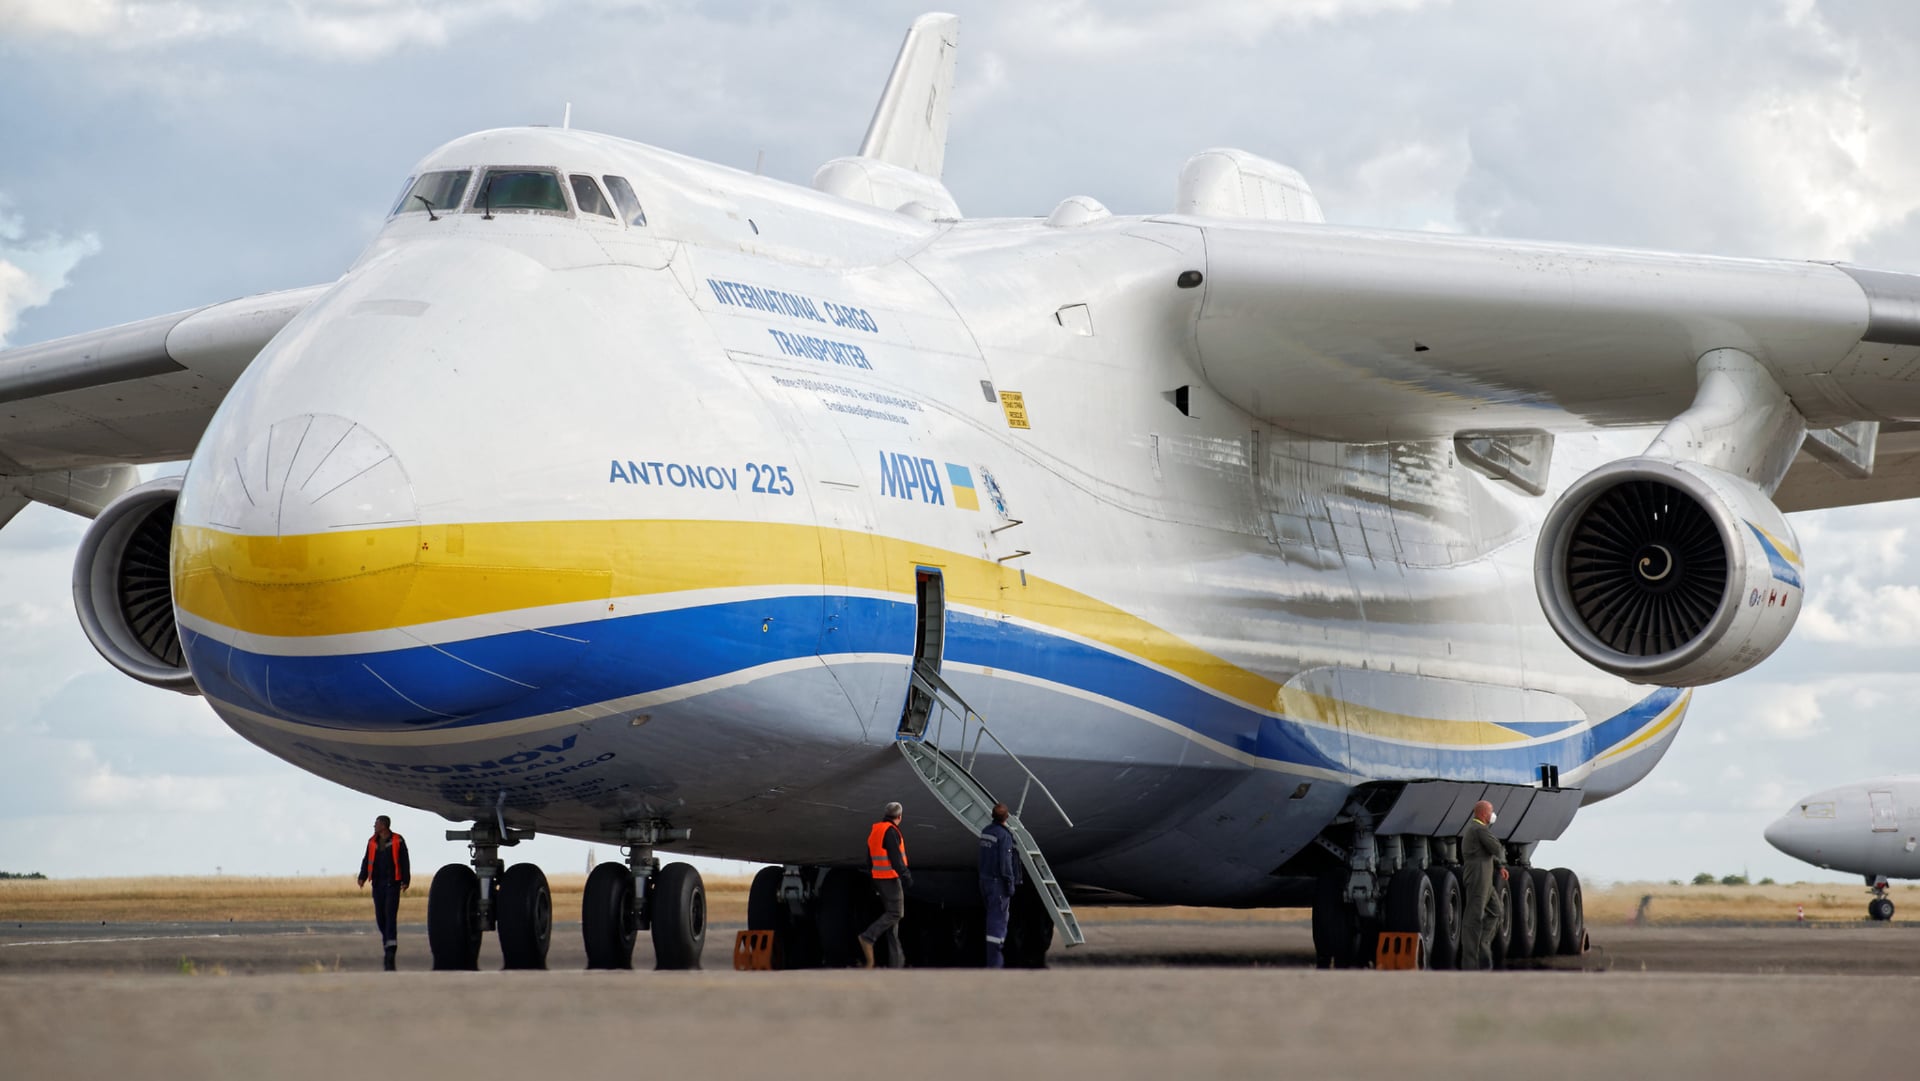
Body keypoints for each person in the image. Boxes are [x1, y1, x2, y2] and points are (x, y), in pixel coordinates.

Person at [857, 802, 910, 968]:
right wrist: (906, 875)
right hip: (890, 879)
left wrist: (873, 878)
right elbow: (896, 858)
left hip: (879, 878)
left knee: (892, 925)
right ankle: (868, 937)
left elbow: (868, 858)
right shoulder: (891, 832)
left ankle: (897, 964)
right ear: (899, 817)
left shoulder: (876, 830)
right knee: (896, 913)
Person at [1457, 799, 1508, 970]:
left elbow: (1490, 853)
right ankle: (1471, 963)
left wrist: (1500, 866)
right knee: (1473, 919)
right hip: (1478, 877)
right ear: (1483, 814)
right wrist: (1500, 855)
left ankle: (1482, 943)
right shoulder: (1478, 829)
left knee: (1497, 910)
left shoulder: (1480, 830)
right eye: (1491, 811)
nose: (1493, 815)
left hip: (1486, 879)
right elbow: (1496, 847)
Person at [356, 815, 411, 971]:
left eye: (376, 824)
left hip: (392, 884)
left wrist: (405, 879)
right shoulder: (372, 842)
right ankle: (387, 941)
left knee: (390, 915)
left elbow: (404, 860)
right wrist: (362, 876)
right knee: (380, 917)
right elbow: (367, 860)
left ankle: (391, 949)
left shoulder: (398, 840)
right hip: (377, 884)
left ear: (384, 826)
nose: (374, 826)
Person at [977, 802, 1024, 968]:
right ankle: (995, 961)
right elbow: (1005, 863)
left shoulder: (986, 832)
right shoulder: (1004, 836)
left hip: (985, 881)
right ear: (1007, 817)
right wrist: (1010, 883)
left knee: (991, 916)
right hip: (998, 883)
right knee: (998, 920)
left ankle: (992, 957)